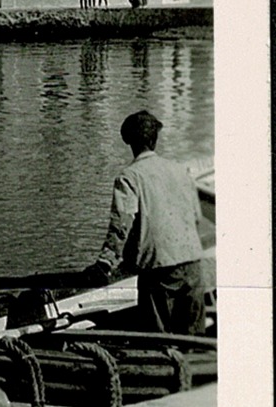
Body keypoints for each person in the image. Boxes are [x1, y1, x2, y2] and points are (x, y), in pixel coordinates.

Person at [83, 110, 209, 335]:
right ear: (155, 139)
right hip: (193, 263)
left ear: (127, 140)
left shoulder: (129, 177)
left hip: (159, 272)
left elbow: (121, 225)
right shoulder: (181, 171)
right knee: (194, 339)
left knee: (159, 339)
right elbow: (196, 218)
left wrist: (105, 263)